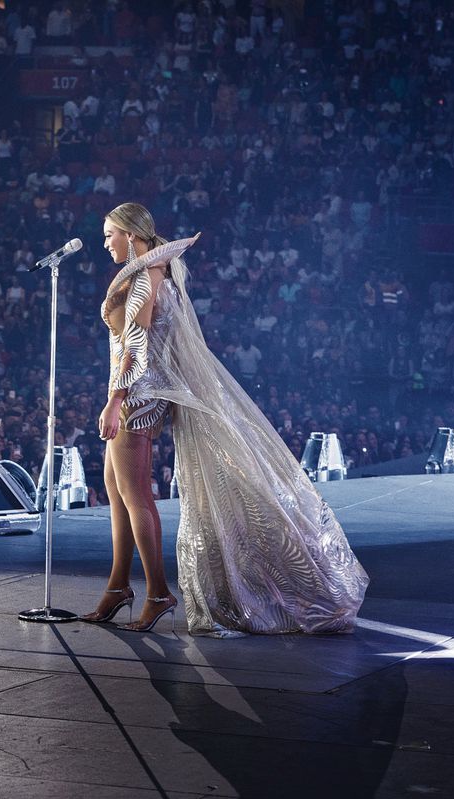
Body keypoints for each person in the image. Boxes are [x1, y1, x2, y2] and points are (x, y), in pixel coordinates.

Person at [82, 202, 368, 636]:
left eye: (110, 235)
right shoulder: (158, 272)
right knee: (117, 491)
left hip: (135, 396)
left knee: (134, 495)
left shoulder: (146, 276)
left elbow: (136, 346)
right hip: (138, 391)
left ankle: (157, 592)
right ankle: (119, 585)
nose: (105, 243)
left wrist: (114, 400)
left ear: (131, 235)